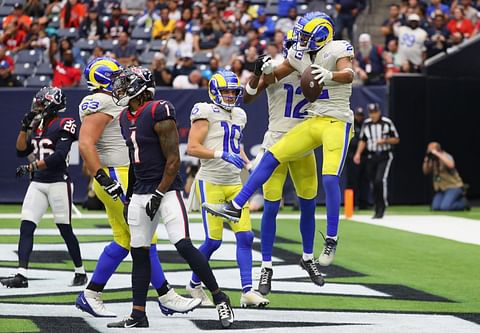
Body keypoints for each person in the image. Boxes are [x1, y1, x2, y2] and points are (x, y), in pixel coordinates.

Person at [203, 12, 354, 268]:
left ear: (320, 36)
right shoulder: (296, 58)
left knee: (320, 188)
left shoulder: (336, 49)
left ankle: (325, 243)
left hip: (332, 120)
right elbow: (257, 88)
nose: (298, 45)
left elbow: (348, 73)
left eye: (305, 38)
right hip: (297, 128)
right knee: (271, 167)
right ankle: (241, 212)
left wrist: (327, 76)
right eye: (297, 40)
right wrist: (259, 72)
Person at [108, 67, 234, 328]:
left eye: (125, 83)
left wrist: (158, 192)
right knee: (139, 253)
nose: (120, 88)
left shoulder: (158, 110)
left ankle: (220, 298)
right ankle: (138, 314)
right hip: (142, 191)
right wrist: (130, 196)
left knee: (183, 244)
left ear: (140, 87)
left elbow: (174, 161)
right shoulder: (123, 117)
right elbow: (134, 163)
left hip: (166, 190)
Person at [75, 58, 198, 319]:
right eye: (117, 76)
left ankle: (91, 293)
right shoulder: (103, 100)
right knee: (144, 240)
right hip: (115, 175)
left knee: (125, 240)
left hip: (120, 173)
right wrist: (103, 177)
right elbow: (85, 144)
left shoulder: (111, 100)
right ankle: (166, 296)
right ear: (104, 80)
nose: (122, 81)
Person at [243, 33, 323, 295]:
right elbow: (248, 96)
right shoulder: (277, 68)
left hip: (303, 143)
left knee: (308, 204)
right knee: (271, 206)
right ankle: (266, 266)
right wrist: (258, 74)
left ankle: (308, 257)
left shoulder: (316, 68)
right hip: (277, 141)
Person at [185, 70, 269, 308]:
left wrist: (248, 163)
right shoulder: (205, 111)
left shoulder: (239, 114)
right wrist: (220, 153)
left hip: (234, 183)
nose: (231, 96)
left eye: (234, 91)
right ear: (214, 91)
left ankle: (247, 291)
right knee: (213, 240)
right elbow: (192, 147)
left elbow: (235, 143)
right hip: (211, 180)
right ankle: (193, 283)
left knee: (246, 236)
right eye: (226, 92)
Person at [0, 87, 86, 288]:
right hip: (38, 183)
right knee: (26, 226)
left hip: (58, 182)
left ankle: (80, 271)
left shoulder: (66, 123)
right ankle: (22, 274)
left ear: (51, 105)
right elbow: (21, 151)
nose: (36, 107)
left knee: (65, 229)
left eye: (40, 103)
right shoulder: (38, 125)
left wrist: (32, 166)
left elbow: (58, 157)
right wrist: (24, 127)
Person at [353, 103, 400, 219]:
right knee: (373, 182)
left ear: (379, 112)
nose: (373, 115)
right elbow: (363, 140)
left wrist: (385, 141)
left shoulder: (387, 123)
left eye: (375, 113)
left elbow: (396, 139)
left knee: (380, 180)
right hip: (371, 156)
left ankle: (382, 206)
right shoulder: (367, 124)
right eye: (371, 113)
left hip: (384, 155)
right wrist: (358, 154)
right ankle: (377, 205)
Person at [423, 142, 469, 211]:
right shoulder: (432, 160)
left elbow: (451, 165)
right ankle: (449, 201)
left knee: (446, 207)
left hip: (453, 187)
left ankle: (463, 203)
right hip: (441, 189)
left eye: (431, 150)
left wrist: (437, 154)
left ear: (438, 150)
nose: (430, 151)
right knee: (435, 207)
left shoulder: (446, 156)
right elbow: (425, 171)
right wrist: (426, 160)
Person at [345, 107, 370, 209]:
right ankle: (351, 204)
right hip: (352, 157)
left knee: (364, 181)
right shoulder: (350, 125)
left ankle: (364, 203)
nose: (359, 117)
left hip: (364, 157)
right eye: (358, 115)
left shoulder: (366, 126)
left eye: (361, 116)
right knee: (352, 181)